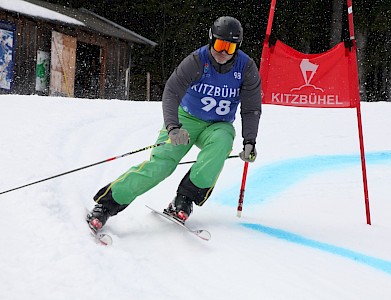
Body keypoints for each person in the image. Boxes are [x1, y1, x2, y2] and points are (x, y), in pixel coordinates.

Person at [87, 16, 261, 231]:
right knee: (161, 166)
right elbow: (171, 92)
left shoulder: (246, 67)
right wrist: (173, 126)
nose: (223, 52)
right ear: (211, 40)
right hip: (187, 118)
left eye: (230, 47)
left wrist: (249, 141)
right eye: (219, 45)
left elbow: (251, 107)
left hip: (219, 124)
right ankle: (106, 205)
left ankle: (184, 199)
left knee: (222, 143)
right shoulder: (198, 60)